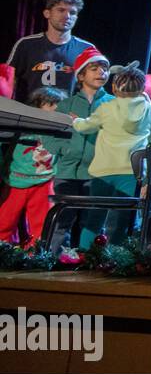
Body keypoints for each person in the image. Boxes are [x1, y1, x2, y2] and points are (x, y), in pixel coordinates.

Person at [71, 63, 151, 245]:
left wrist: (76, 120)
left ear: (114, 87)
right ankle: (116, 258)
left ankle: (85, 255)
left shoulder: (107, 107)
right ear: (142, 88)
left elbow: (85, 126)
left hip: (103, 171)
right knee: (123, 219)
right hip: (131, 171)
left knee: (94, 218)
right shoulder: (148, 109)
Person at [45, 47, 111, 250]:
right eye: (94, 68)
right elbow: (49, 135)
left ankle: (88, 263)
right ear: (81, 75)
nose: (101, 72)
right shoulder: (66, 105)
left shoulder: (113, 104)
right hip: (67, 172)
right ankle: (51, 261)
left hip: (97, 174)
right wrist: (66, 150)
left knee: (91, 223)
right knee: (62, 221)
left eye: (105, 68)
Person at [0, 87, 66, 248]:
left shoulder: (60, 131)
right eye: (50, 104)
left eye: (58, 104)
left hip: (44, 182)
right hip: (16, 179)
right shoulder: (21, 127)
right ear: (37, 107)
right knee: (5, 220)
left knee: (42, 223)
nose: (55, 108)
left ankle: (36, 255)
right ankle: (4, 251)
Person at [3, 0, 94, 101]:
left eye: (73, 12)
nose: (67, 16)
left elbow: (93, 87)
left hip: (67, 116)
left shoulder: (87, 50)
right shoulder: (26, 44)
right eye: (61, 10)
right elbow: (8, 80)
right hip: (29, 113)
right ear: (47, 13)